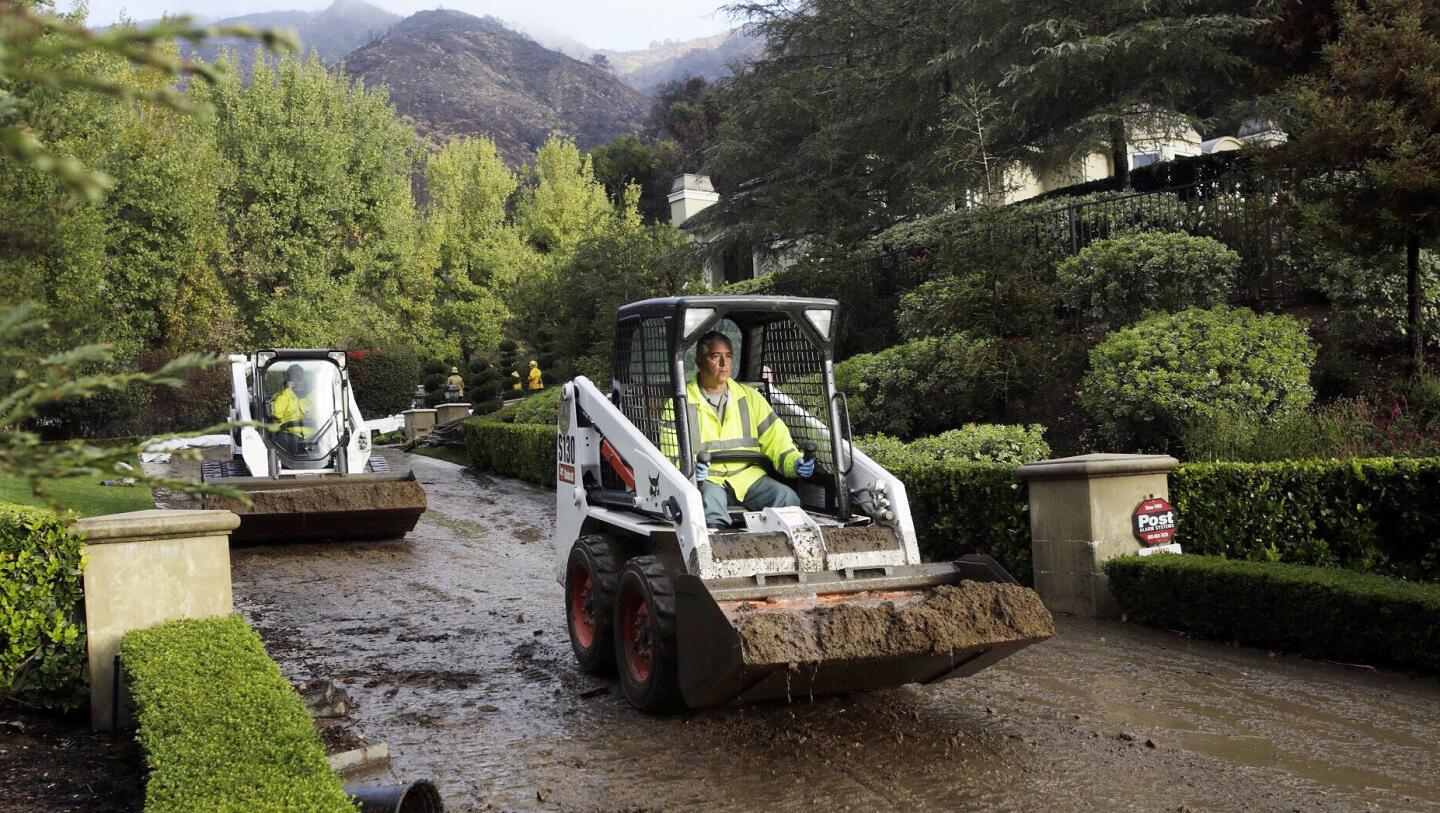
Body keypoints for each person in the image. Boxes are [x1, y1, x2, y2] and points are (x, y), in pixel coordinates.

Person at [685, 330, 815, 529]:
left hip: (747, 477)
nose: (724, 363)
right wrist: (690, 472)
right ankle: (717, 554)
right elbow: (671, 454)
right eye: (715, 356)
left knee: (786, 497)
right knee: (709, 506)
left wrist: (795, 462)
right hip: (708, 480)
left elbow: (777, 440)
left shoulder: (751, 398)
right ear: (699, 362)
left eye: (728, 356)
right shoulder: (680, 403)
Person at [269, 365, 315, 453]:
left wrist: (314, 416)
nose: (298, 378)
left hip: (314, 435)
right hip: (289, 436)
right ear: (288, 379)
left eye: (300, 375)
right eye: (294, 375)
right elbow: (276, 414)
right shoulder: (280, 396)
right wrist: (287, 391)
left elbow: (326, 413)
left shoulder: (315, 396)